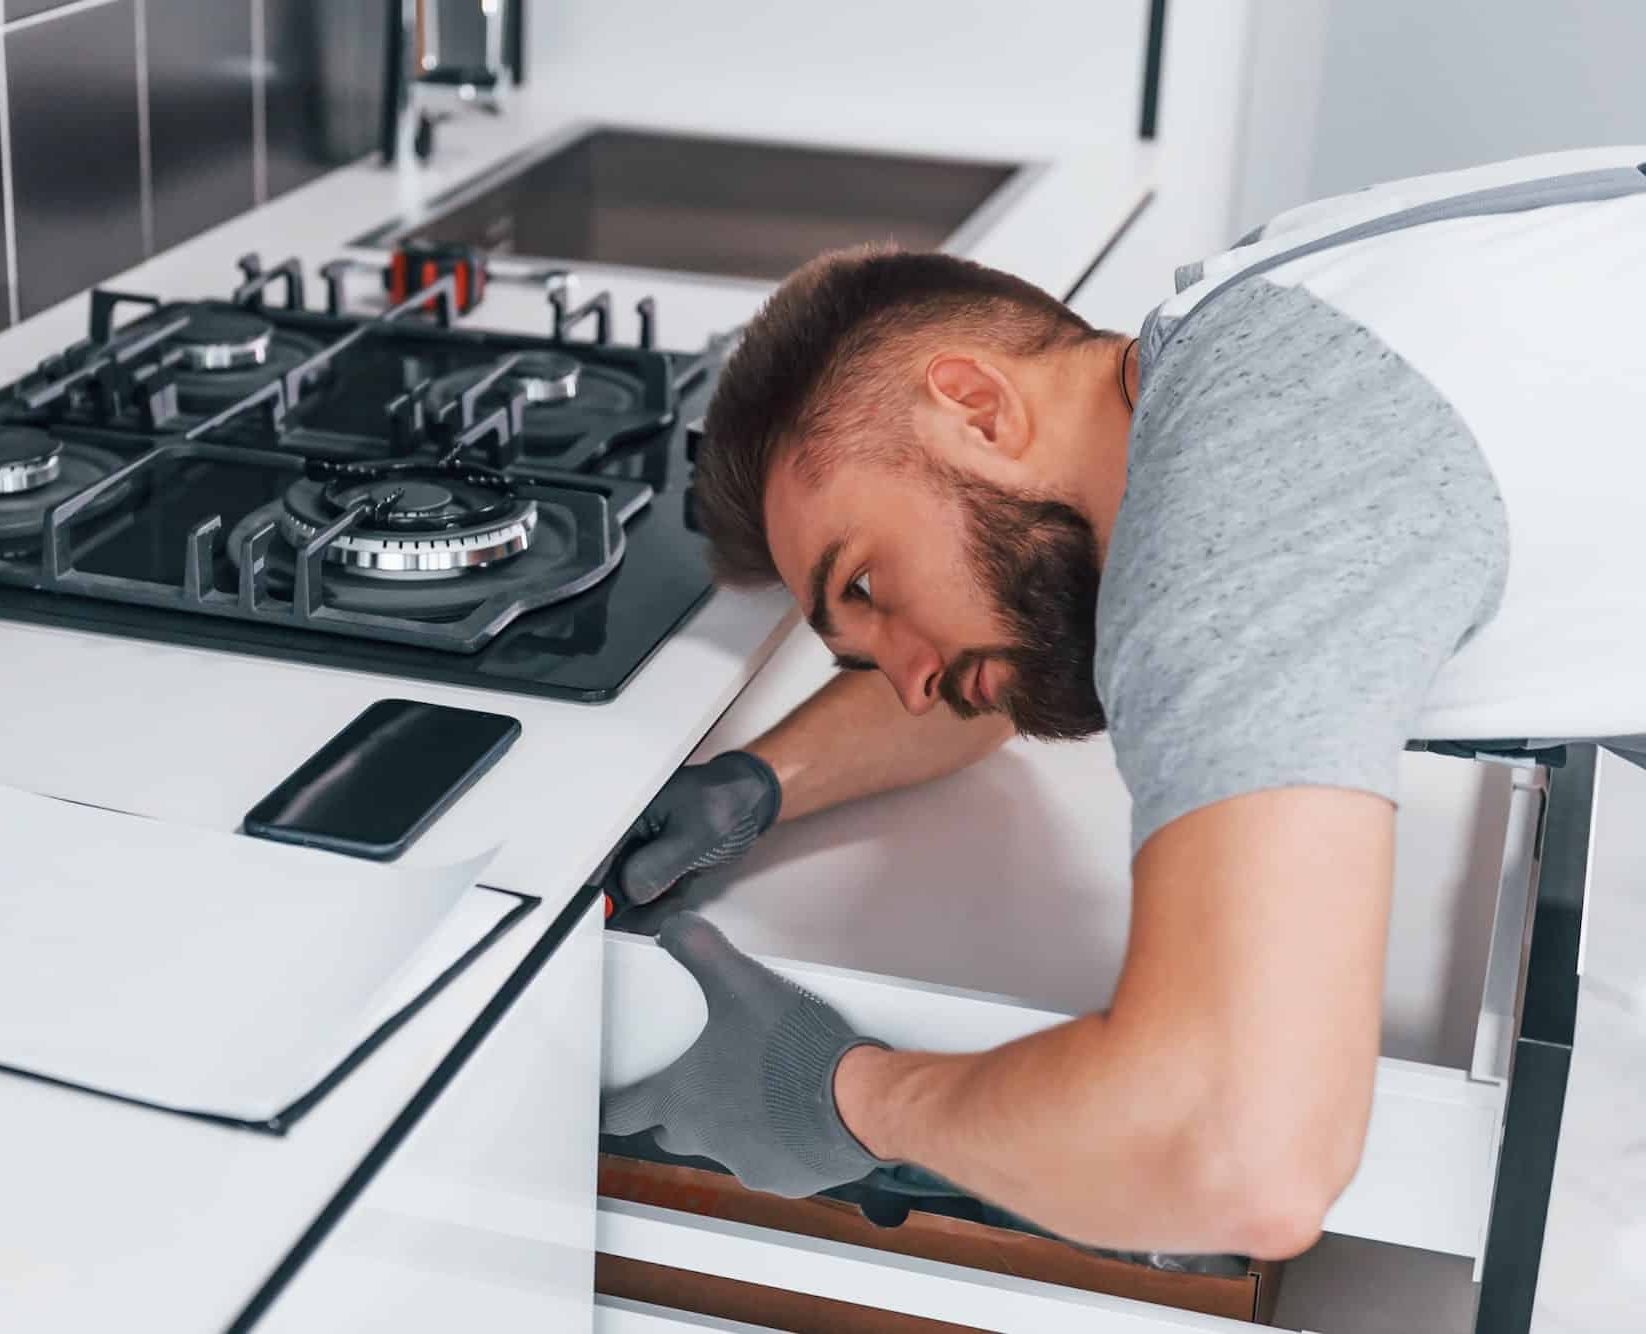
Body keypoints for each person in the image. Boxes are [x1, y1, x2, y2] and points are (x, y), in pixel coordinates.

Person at [599, 146, 1646, 1259]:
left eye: (865, 583)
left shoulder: (1236, 497)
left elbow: (1242, 1154)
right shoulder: (1238, 317)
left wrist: (837, 1095)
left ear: (973, 406)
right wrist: (758, 783)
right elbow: (990, 673)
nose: (908, 676)